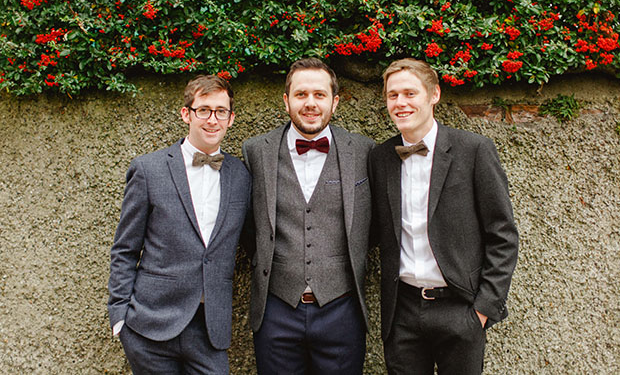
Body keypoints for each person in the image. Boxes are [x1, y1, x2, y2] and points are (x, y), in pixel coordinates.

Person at [368, 58, 519, 375]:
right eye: (392, 95)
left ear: (433, 94)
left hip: (460, 309)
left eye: (410, 93)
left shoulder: (474, 150)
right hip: (403, 312)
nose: (400, 103)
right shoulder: (380, 157)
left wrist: (482, 310)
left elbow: (502, 235)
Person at [107, 75, 251, 374]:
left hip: (210, 327)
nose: (212, 120)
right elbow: (125, 248)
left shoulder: (241, 175)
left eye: (221, 111)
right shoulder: (149, 169)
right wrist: (120, 316)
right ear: (187, 113)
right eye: (204, 110)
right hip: (150, 327)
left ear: (231, 118)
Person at [241, 58, 374, 374]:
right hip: (276, 311)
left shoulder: (364, 151)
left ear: (335, 101)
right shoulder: (255, 151)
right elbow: (248, 227)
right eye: (301, 95)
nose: (310, 103)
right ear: (286, 101)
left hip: (342, 310)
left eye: (319, 94)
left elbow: (375, 227)